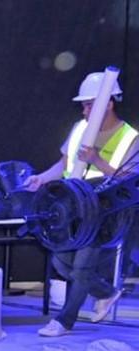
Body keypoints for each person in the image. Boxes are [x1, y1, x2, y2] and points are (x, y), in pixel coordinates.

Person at [24, 71, 137, 337]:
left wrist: (97, 161)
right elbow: (64, 165)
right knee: (62, 263)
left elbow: (131, 180)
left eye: (89, 105)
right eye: (84, 106)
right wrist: (41, 178)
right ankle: (106, 292)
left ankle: (64, 321)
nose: (85, 111)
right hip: (74, 207)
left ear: (108, 104)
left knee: (82, 266)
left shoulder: (130, 137)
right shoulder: (80, 129)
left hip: (107, 211)